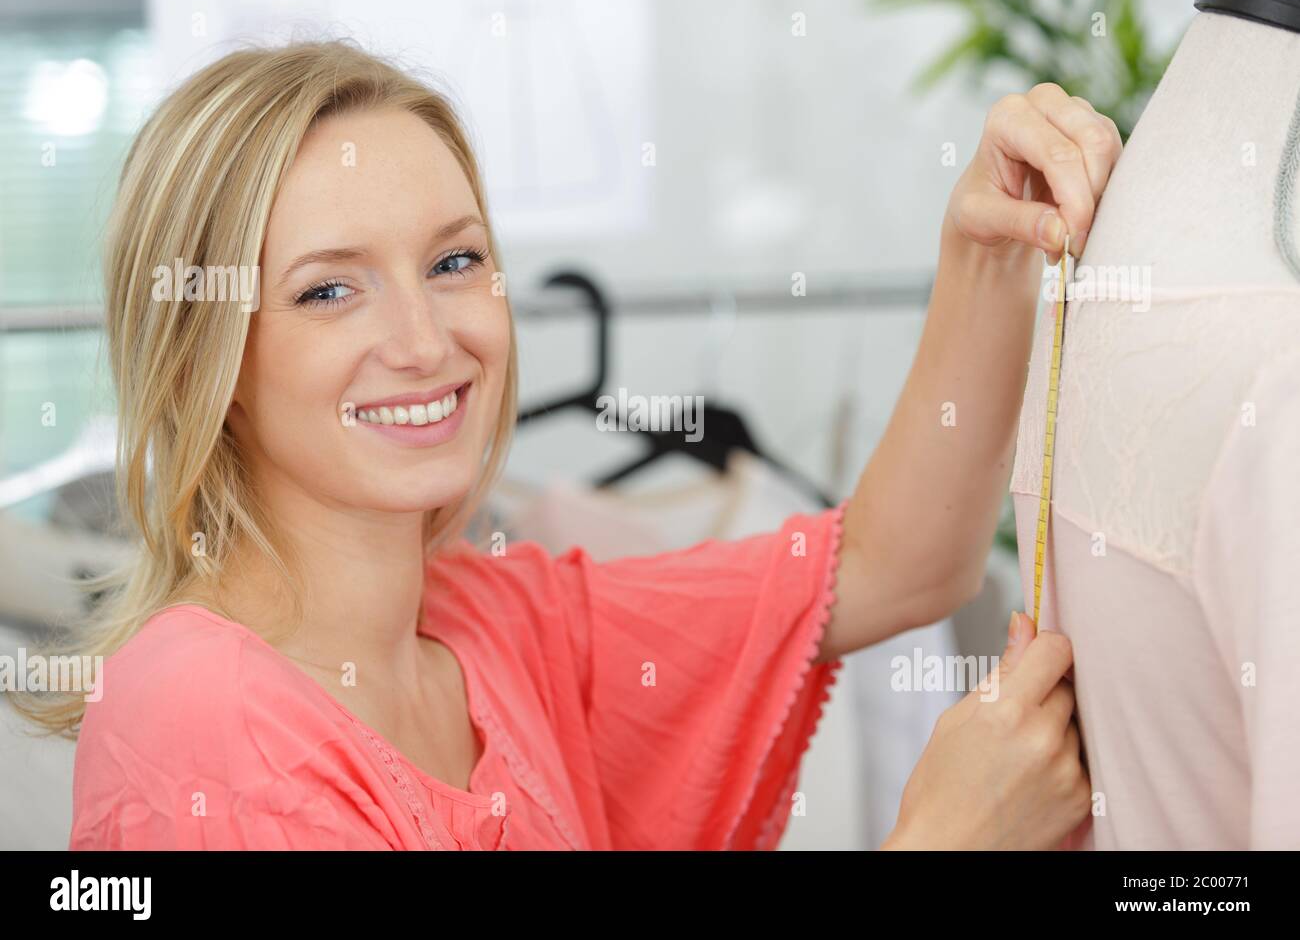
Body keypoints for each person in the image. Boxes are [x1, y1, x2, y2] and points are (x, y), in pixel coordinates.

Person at [11, 41, 1122, 849]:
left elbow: (894, 564)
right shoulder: (202, 731)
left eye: (453, 263)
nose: (423, 339)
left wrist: (988, 248)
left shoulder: (496, 621)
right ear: (210, 362)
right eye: (329, 289)